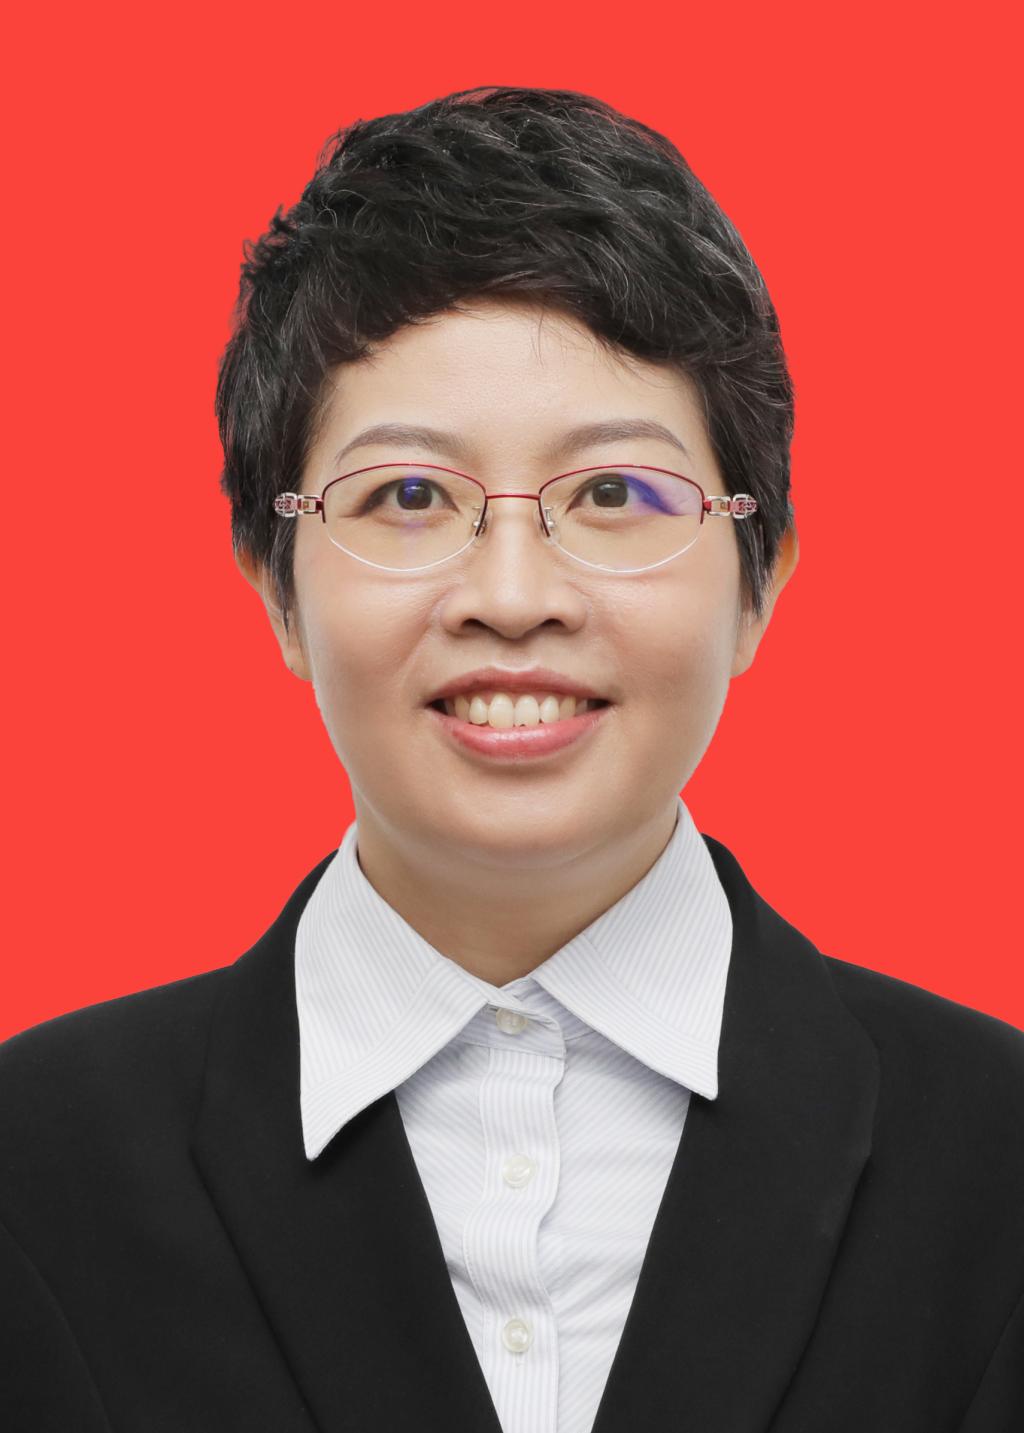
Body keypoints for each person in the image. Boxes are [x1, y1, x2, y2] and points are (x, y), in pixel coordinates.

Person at [1, 85, 1021, 1433]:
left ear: (759, 578)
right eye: (408, 496)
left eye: (615, 493)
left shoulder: (998, 1157)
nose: (512, 594)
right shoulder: (34, 1164)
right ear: (276, 585)